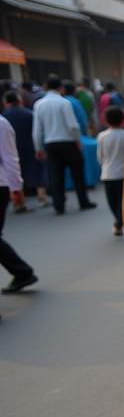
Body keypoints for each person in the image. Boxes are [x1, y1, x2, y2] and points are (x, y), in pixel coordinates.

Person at [32, 75, 96, 214]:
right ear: (60, 88)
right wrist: (78, 141)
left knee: (56, 175)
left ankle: (59, 205)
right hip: (68, 142)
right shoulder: (64, 103)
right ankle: (83, 201)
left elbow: (37, 130)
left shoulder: (39, 104)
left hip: (50, 143)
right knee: (77, 173)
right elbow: (73, 126)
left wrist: (38, 148)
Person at [0, 111, 38, 294]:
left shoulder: (1, 124)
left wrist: (16, 187)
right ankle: (22, 272)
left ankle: (22, 272)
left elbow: (9, 158)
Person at [2, 90, 48, 209]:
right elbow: (37, 131)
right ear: (19, 101)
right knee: (37, 171)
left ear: (6, 103)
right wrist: (39, 147)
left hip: (12, 148)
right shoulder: (29, 114)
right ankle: (42, 196)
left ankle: (19, 201)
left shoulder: (4, 118)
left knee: (16, 172)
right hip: (30, 146)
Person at [97, 105, 124, 235]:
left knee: (112, 200)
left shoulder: (102, 136)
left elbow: (100, 155)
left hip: (107, 173)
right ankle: (121, 221)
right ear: (123, 120)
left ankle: (118, 221)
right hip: (123, 173)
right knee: (123, 200)